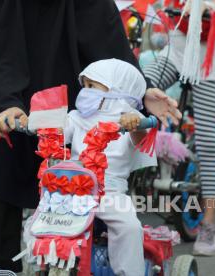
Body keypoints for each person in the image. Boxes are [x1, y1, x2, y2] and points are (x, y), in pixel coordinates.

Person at [0, 1, 181, 274]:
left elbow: (111, 48)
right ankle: (2, 267)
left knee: (82, 184)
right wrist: (3, 101)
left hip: (78, 96)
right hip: (9, 95)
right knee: (4, 161)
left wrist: (140, 92)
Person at [143, 0, 215, 256]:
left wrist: (209, 5)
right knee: (136, 91)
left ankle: (209, 223)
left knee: (207, 140)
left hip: (212, 60)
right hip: (176, 50)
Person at [63, 59, 156, 275]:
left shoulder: (131, 119)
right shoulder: (76, 117)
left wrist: (135, 124)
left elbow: (140, 138)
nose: (85, 92)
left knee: (129, 227)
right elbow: (57, 130)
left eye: (92, 86)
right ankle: (40, 265)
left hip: (110, 191)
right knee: (38, 220)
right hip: (72, 189)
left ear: (118, 88)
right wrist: (32, 121)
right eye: (84, 86)